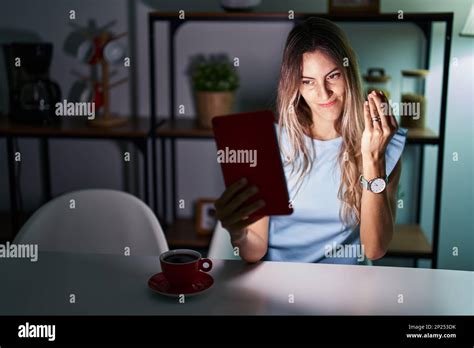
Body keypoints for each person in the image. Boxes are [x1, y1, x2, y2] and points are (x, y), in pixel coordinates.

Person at [215, 17, 407, 264]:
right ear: (295, 85)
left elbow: (374, 248)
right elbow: (255, 250)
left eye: (333, 76)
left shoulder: (383, 141)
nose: (323, 93)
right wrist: (238, 231)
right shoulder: (267, 140)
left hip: (344, 287)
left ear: (349, 72)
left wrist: (373, 158)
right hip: (278, 283)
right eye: (308, 81)